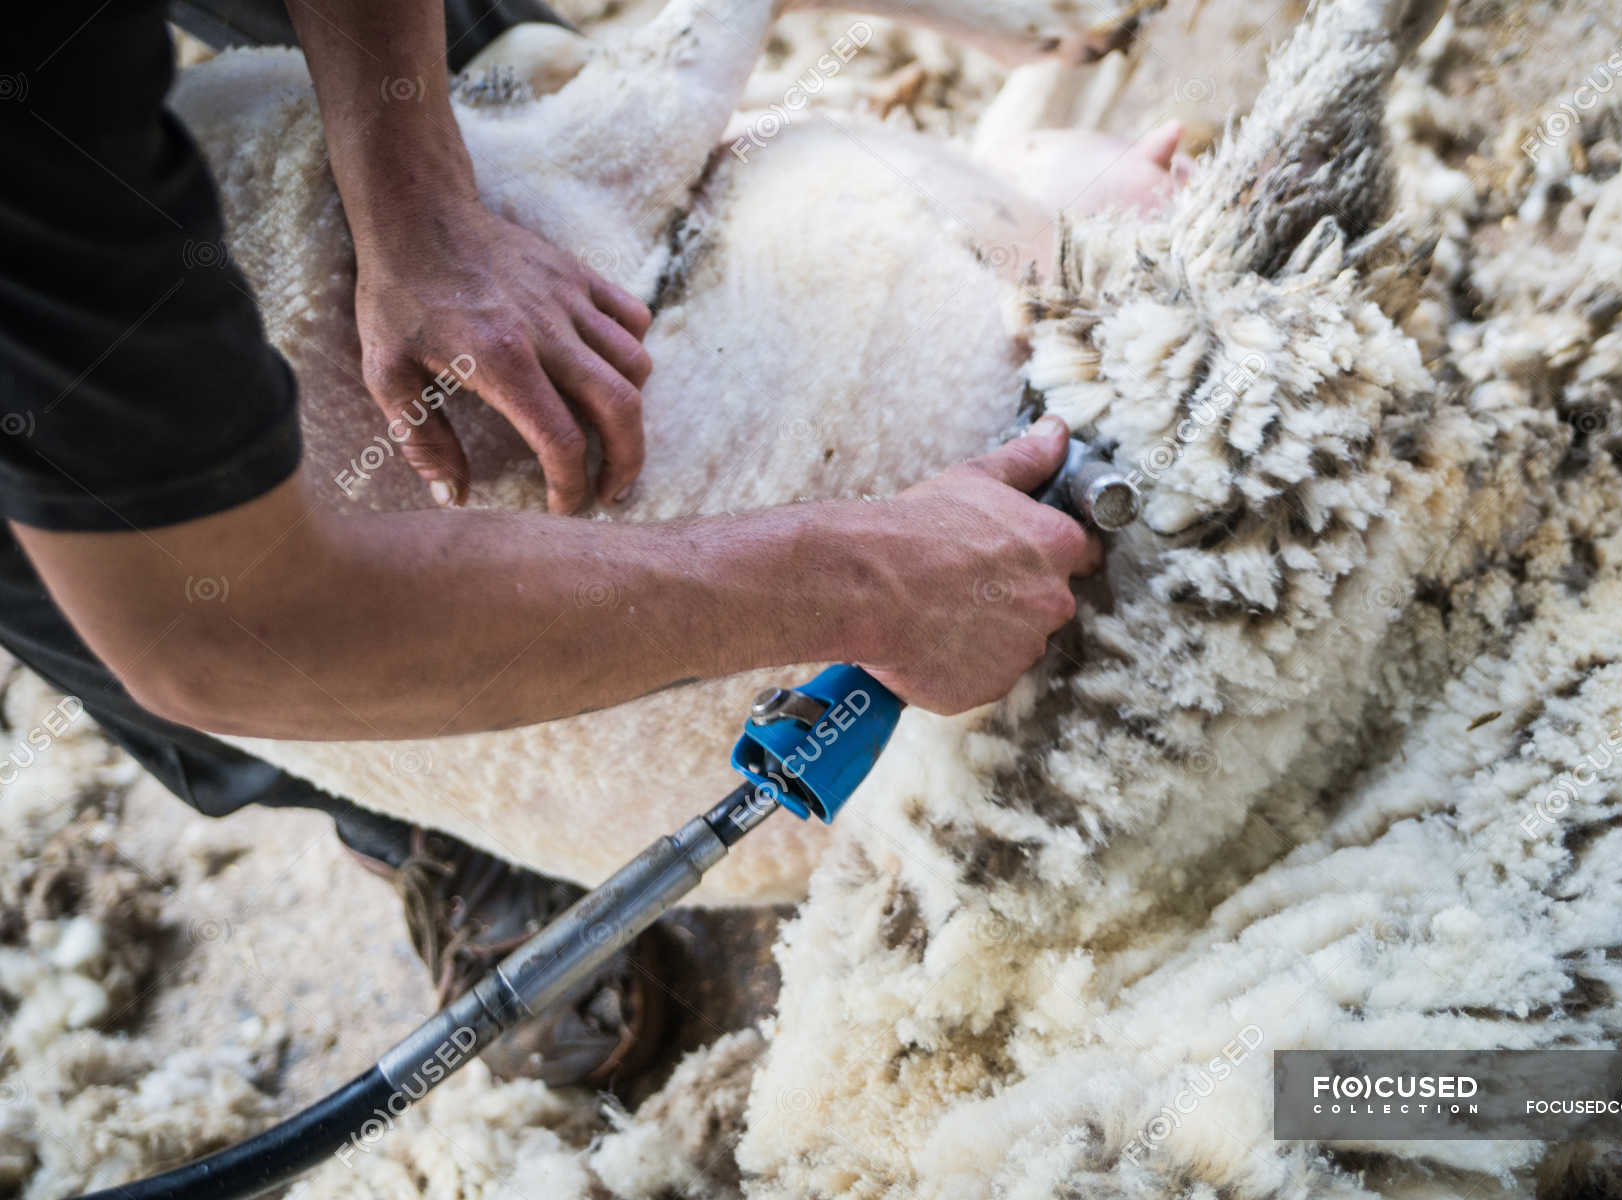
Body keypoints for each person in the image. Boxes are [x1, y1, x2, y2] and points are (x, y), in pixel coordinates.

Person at [0, 0, 1100, 1084]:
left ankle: (489, 108)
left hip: (817, 828)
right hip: (998, 443)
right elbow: (219, 637)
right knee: (117, 572)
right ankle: (510, 88)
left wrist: (419, 214)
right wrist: (873, 578)